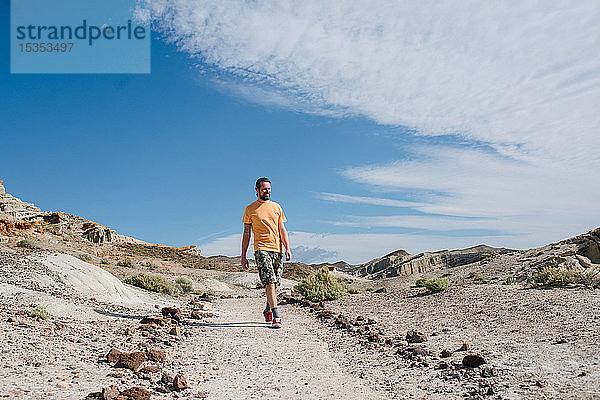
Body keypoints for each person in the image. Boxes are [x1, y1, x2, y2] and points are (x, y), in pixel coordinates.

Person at [241, 177, 291, 329]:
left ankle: (268, 309)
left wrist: (287, 247)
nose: (267, 191)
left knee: (275, 284)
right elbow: (246, 234)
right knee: (269, 281)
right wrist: (243, 255)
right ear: (257, 190)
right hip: (261, 249)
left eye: (269, 188)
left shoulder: (277, 207)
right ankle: (276, 316)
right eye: (264, 189)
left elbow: (282, 229)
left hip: (277, 250)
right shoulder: (250, 209)